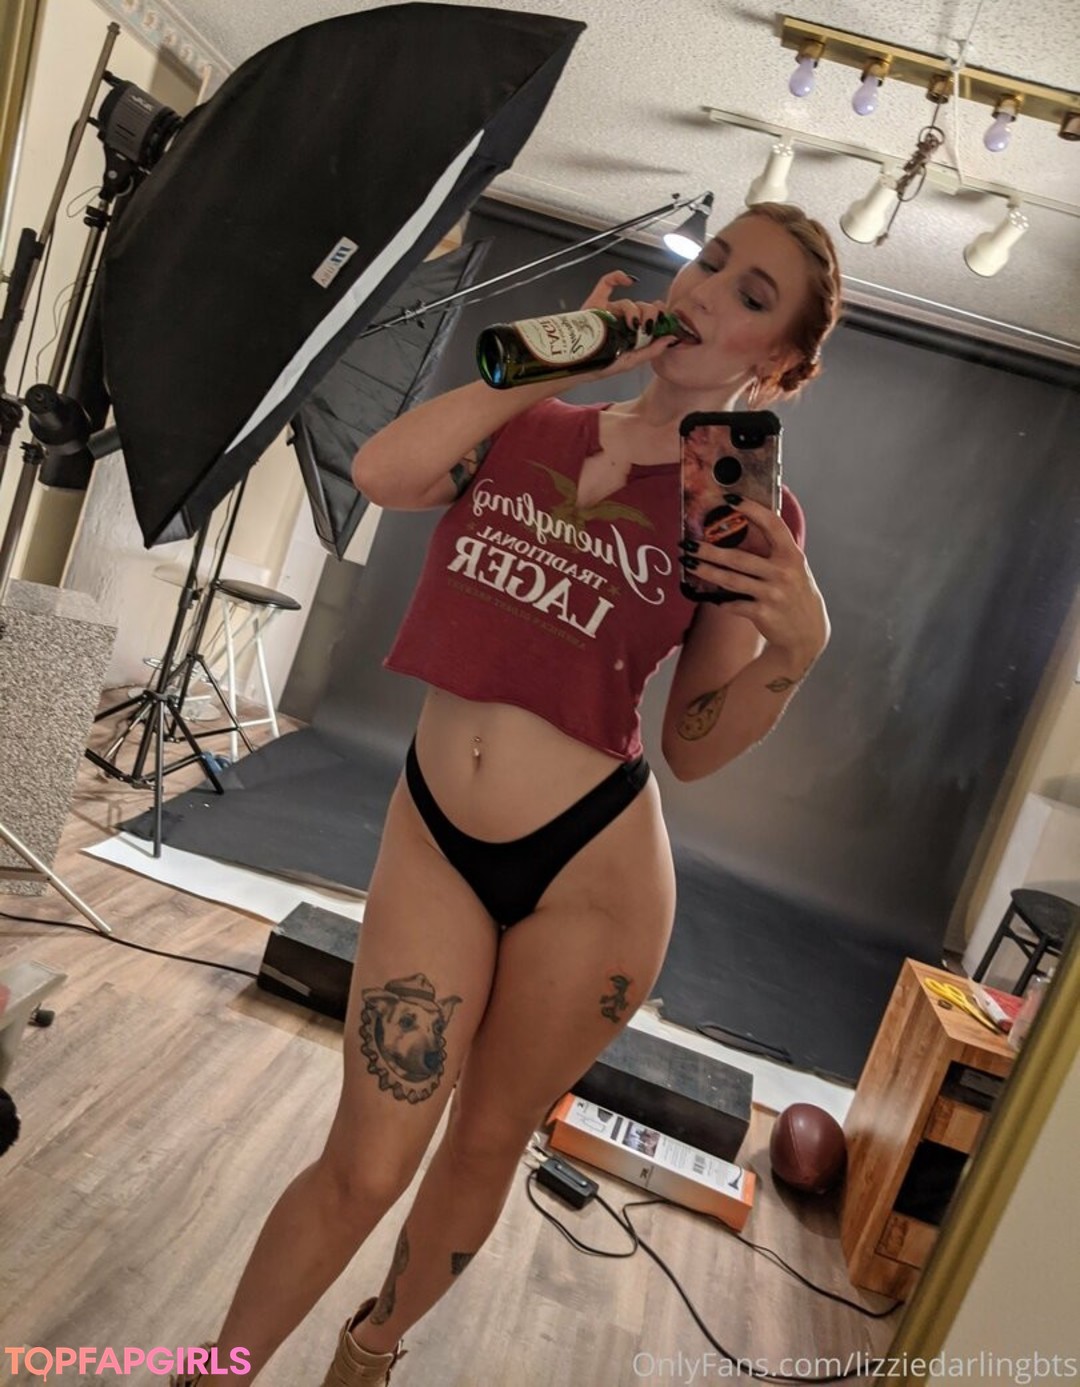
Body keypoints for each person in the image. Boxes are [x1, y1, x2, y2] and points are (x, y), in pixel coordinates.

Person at [171, 200, 842, 1387]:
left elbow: (691, 743)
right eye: (713, 260)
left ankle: (370, 1351)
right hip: (437, 836)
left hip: (594, 878)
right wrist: (547, 367)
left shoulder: (739, 512)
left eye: (751, 296)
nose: (706, 291)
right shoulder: (531, 417)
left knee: (483, 1144)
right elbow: (383, 472)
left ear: (780, 368)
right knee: (366, 1164)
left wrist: (794, 655)